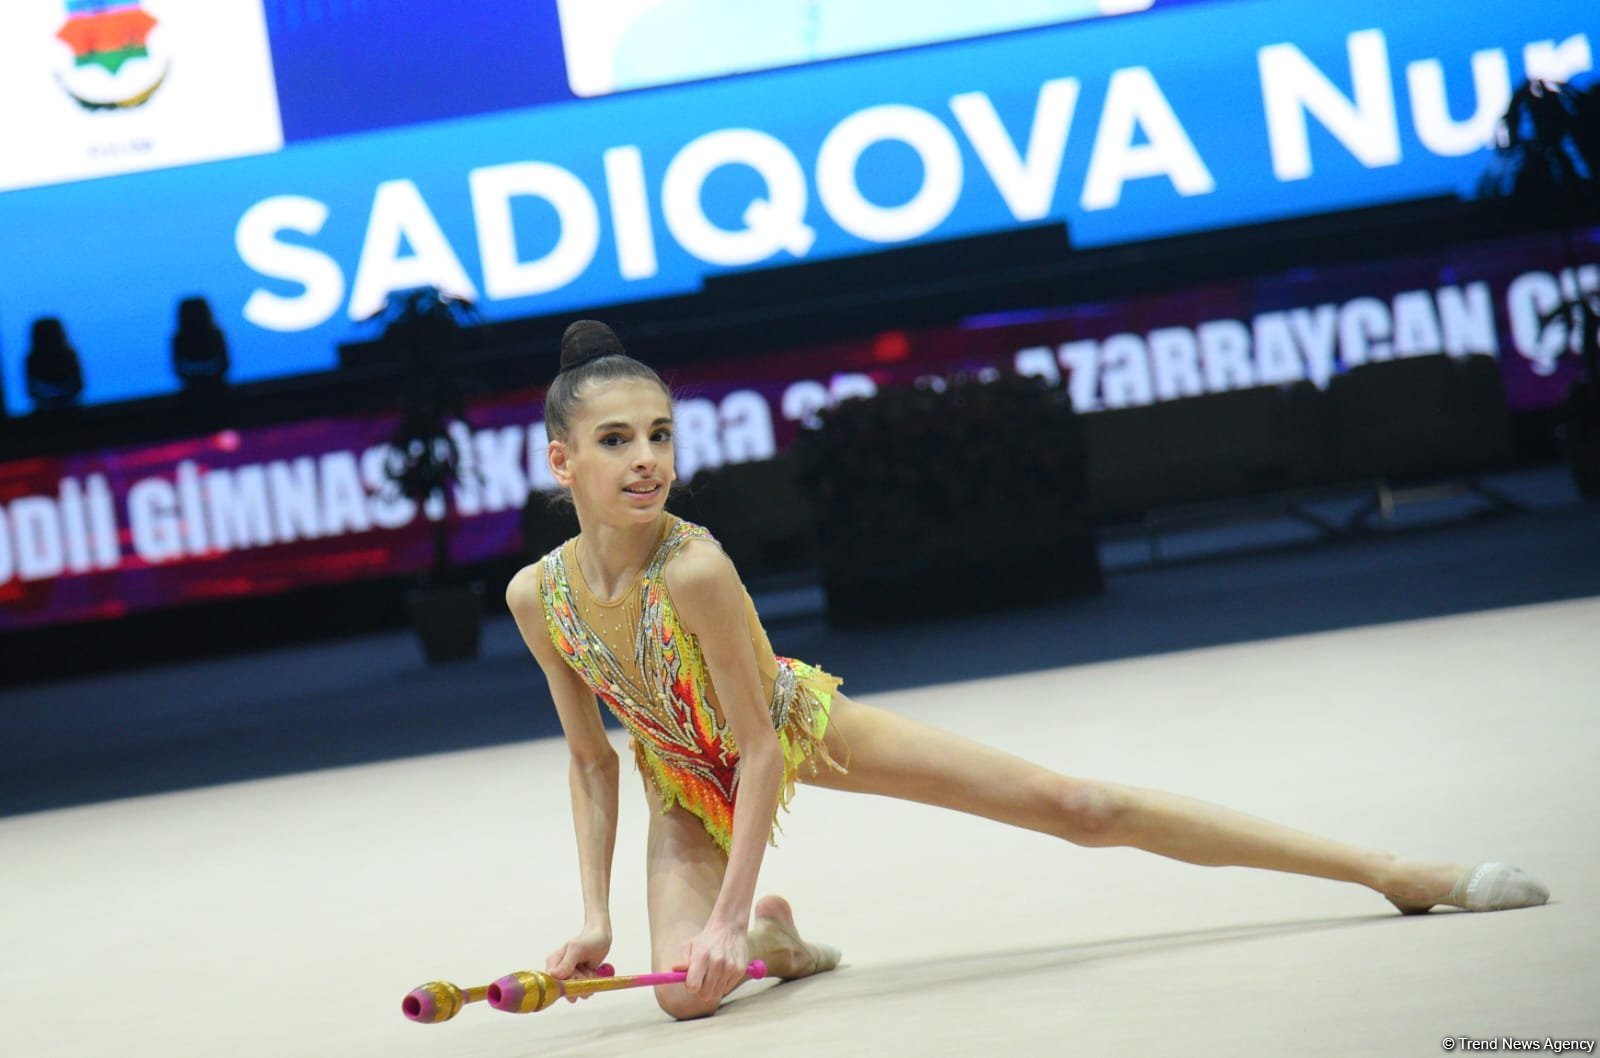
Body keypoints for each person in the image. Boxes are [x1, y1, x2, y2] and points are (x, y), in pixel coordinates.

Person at [505, 320, 1550, 1022]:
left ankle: (1393, 871)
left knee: (1080, 807)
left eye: (659, 434)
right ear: (563, 461)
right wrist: (597, 917)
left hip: (791, 727)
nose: (646, 459)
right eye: (615, 440)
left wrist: (721, 914)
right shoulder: (536, 597)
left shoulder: (695, 567)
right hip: (681, 781)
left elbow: (763, 747)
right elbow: (594, 762)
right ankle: (780, 935)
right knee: (683, 996)